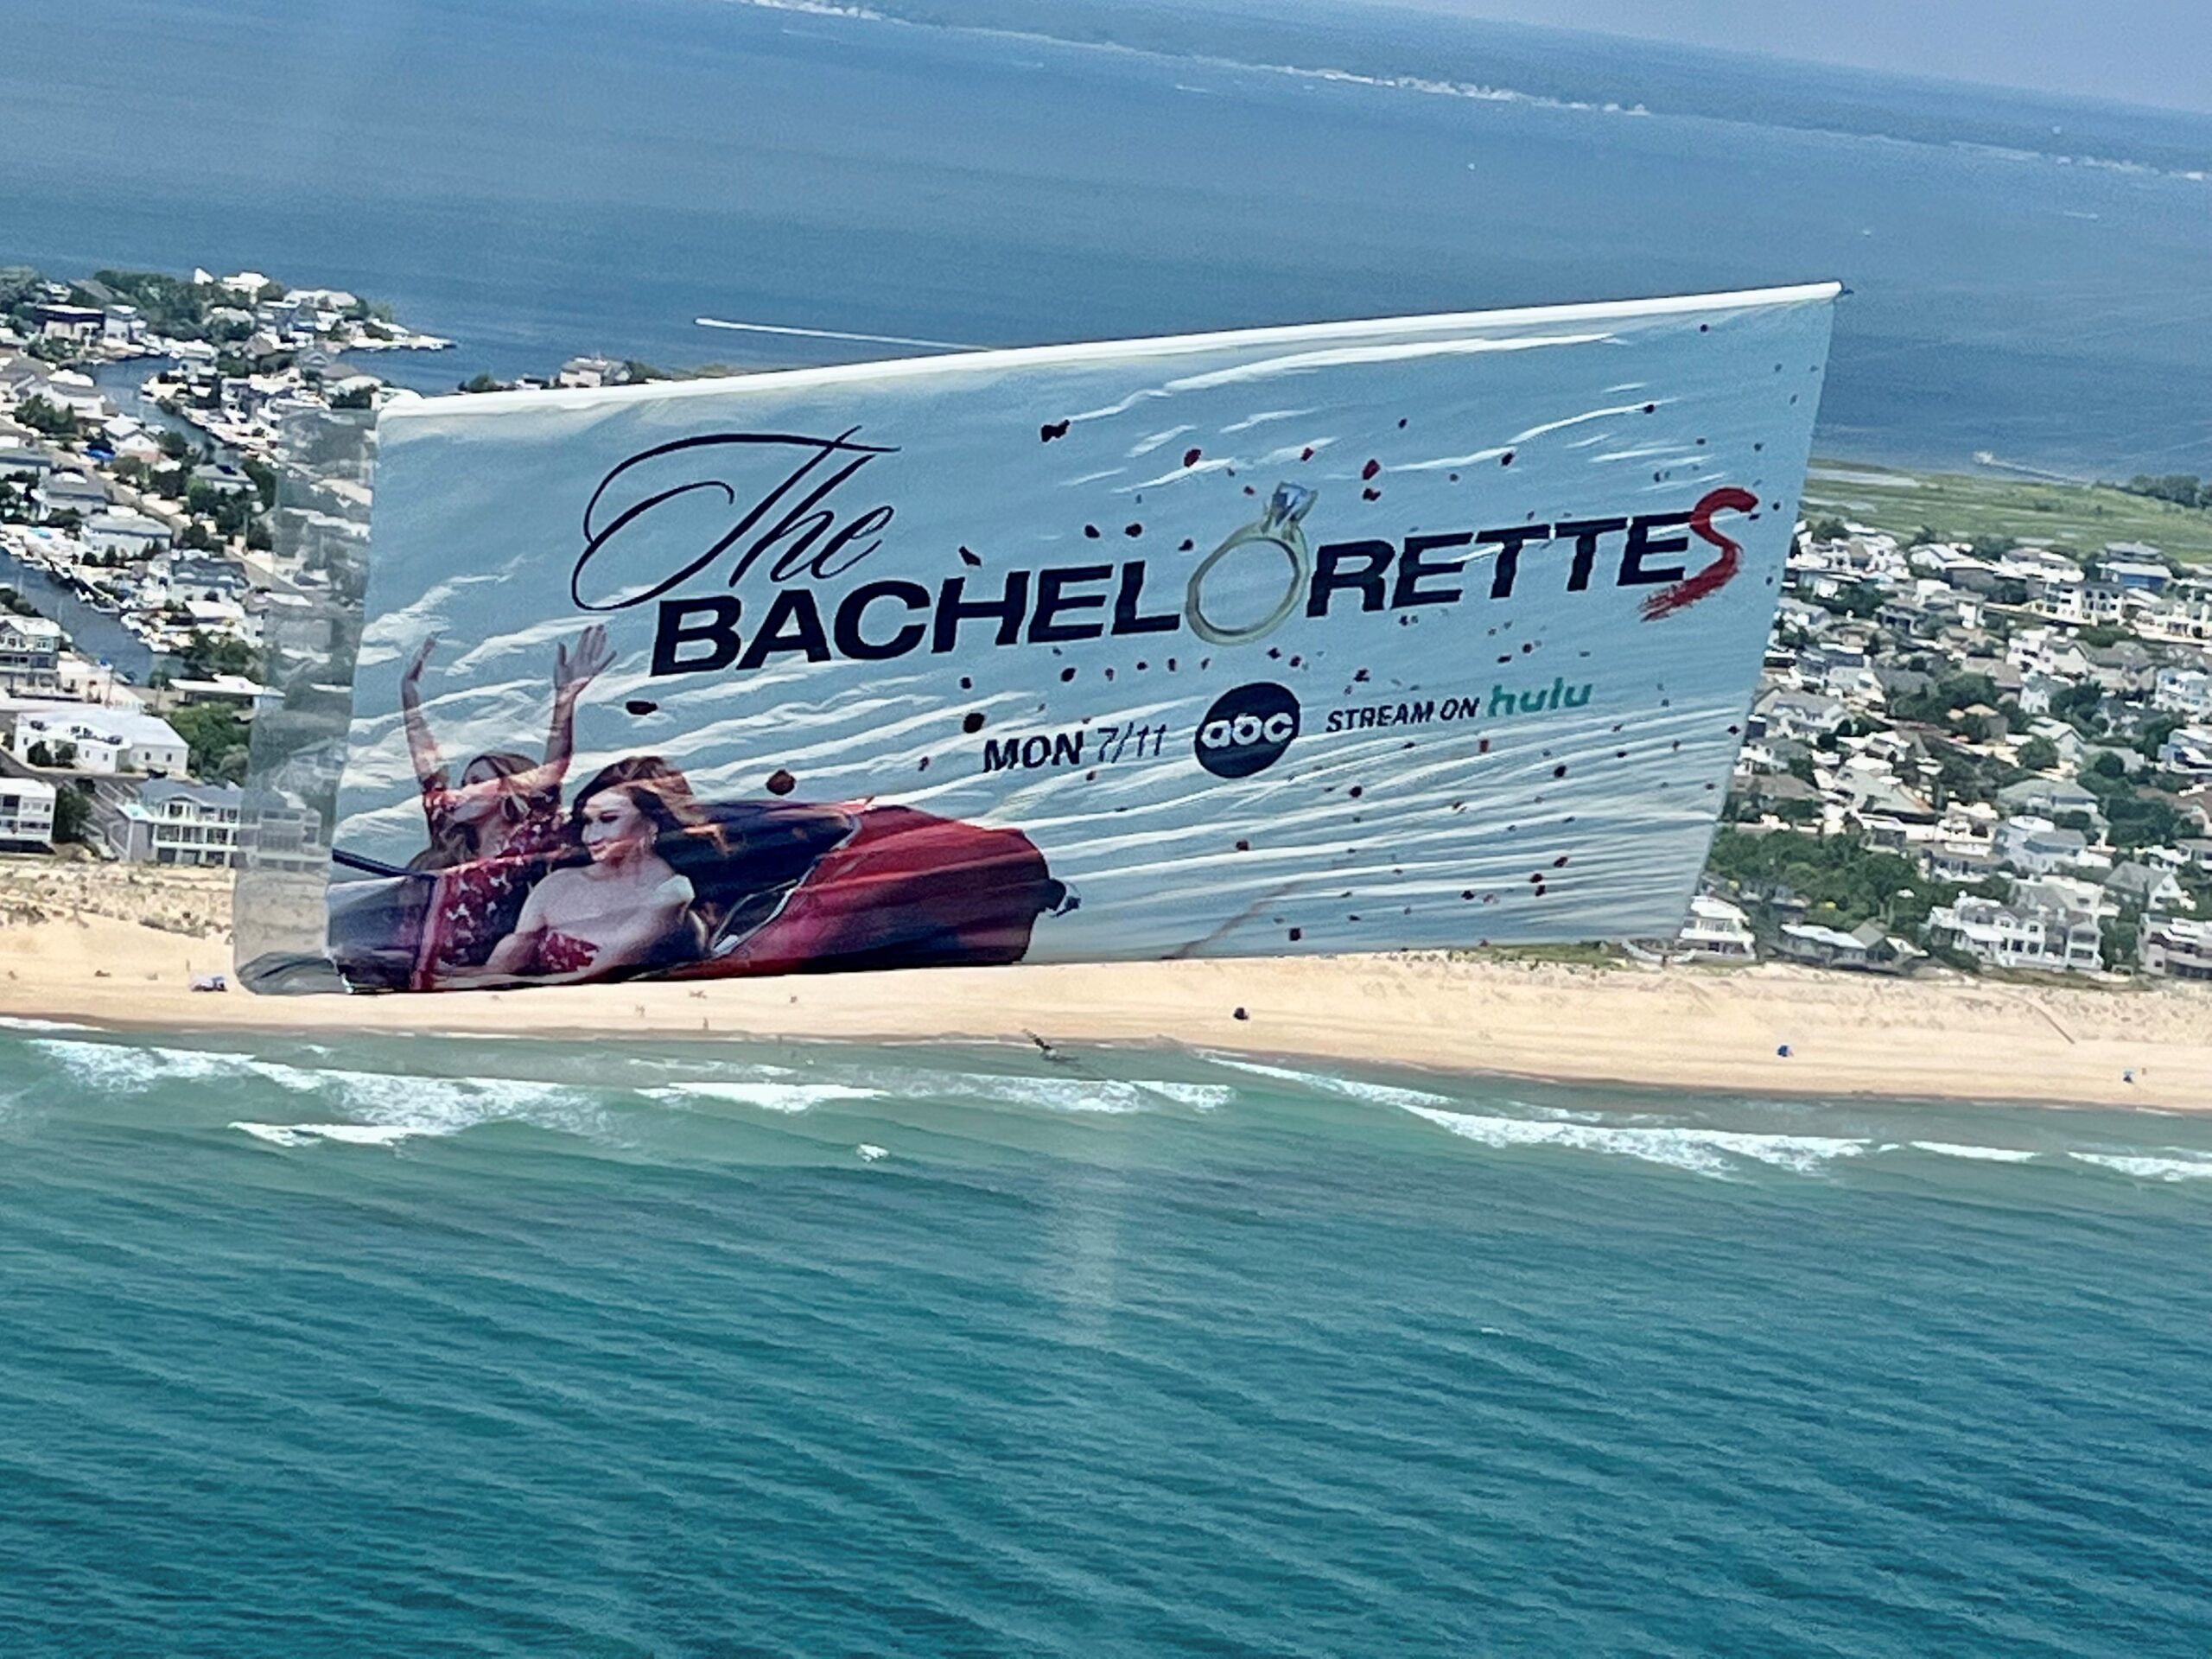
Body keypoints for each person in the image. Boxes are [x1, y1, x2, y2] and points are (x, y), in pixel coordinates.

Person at [402, 623, 613, 985]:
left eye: (477, 782)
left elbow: (552, 772)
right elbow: (428, 768)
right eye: (463, 783)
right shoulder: (450, 833)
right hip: (413, 972)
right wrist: (409, 697)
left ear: (508, 793)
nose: (463, 791)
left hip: (478, 982)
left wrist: (565, 702)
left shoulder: (524, 842)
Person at [480, 757, 706, 983]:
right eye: (588, 822)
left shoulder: (672, 893)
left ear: (652, 822)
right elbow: (501, 967)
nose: (591, 836)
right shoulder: (559, 883)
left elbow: (599, 975)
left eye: (608, 819)